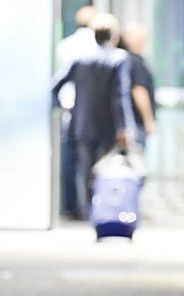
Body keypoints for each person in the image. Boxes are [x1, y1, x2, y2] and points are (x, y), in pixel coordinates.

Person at [50, 12, 135, 213]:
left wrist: (62, 107)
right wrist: (124, 127)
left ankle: (90, 210)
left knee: (86, 171)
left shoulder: (80, 59)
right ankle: (105, 210)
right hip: (109, 125)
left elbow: (54, 86)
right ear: (113, 36)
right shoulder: (118, 59)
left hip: (82, 123)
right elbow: (119, 96)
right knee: (106, 169)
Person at [55, 6, 100, 219]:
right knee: (91, 164)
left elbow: (58, 83)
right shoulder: (99, 50)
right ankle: (91, 208)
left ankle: (70, 206)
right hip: (94, 115)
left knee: (70, 161)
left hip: (70, 111)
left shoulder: (66, 46)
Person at [117, 22, 157, 149]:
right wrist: (148, 119)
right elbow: (139, 90)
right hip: (135, 123)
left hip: (126, 123)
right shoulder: (135, 62)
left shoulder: (122, 59)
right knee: (135, 160)